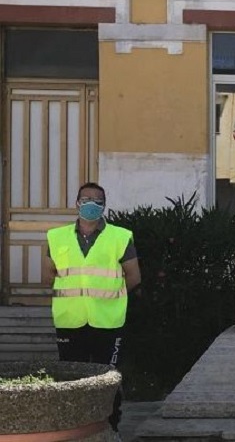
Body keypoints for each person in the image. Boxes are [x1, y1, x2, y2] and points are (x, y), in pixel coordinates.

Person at [44, 182, 141, 435]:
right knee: (71, 379)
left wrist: (111, 297)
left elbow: (133, 277)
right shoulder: (56, 236)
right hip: (69, 319)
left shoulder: (120, 237)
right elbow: (49, 275)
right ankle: (76, 430)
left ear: (104, 206)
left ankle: (110, 428)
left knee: (107, 379)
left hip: (108, 320)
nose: (91, 204)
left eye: (97, 201)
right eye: (86, 199)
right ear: (77, 203)